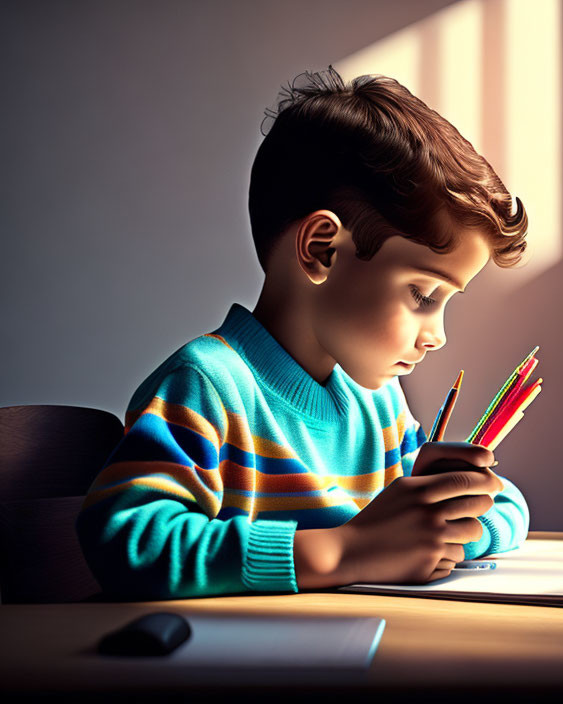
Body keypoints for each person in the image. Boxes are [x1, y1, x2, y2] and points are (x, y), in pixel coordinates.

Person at [76, 66, 530, 600]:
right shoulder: (209, 387)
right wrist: (342, 550)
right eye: (424, 296)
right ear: (322, 250)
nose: (438, 336)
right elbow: (127, 539)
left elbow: (509, 506)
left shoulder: (379, 404)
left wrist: (447, 525)